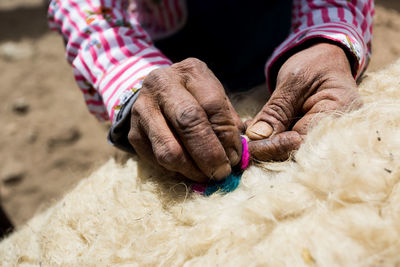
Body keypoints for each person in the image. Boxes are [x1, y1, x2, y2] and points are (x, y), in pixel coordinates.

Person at [48, 0, 374, 182]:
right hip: (167, 62)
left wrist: (327, 37)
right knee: (176, 136)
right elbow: (79, 7)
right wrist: (134, 80)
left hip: (284, 41)